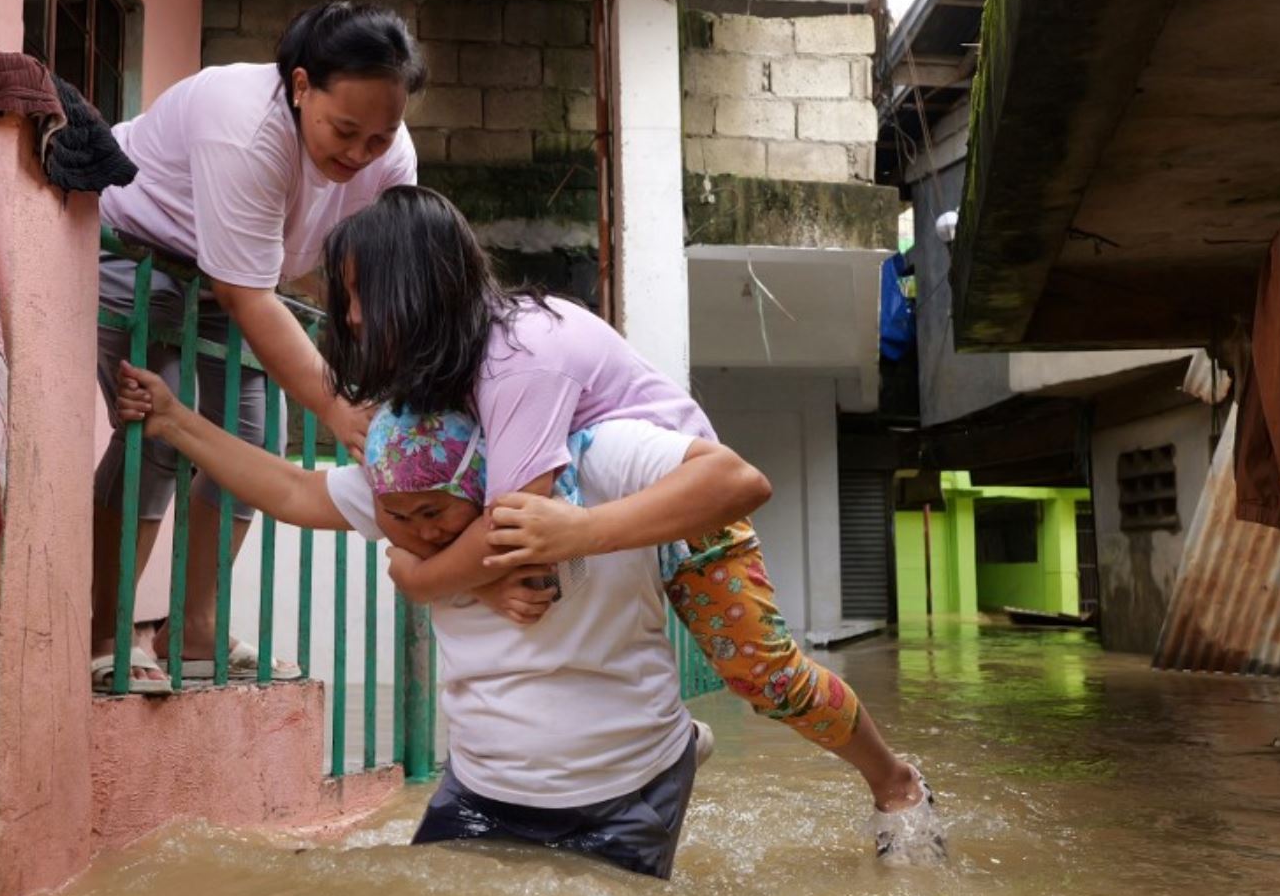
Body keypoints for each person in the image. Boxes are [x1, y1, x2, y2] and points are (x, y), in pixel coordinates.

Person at [319, 186, 945, 856]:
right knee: (532, 611)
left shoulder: (519, 351)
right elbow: (506, 544)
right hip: (585, 512)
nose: (352, 316)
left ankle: (896, 780)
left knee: (766, 676)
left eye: (365, 295)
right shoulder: (451, 366)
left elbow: (507, 531)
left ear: (418, 287)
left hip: (682, 508)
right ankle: (665, 751)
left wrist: (417, 576)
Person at [117, 364, 773, 878]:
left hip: (627, 783)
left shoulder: (593, 456)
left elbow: (740, 480)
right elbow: (293, 490)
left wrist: (581, 530)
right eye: (398, 518)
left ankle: (681, 746)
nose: (417, 532)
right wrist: (176, 421)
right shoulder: (405, 491)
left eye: (435, 515)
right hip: (486, 788)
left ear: (487, 487)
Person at [88, 1, 425, 694]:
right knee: (153, 434)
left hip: (237, 280)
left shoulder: (391, 155)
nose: (360, 153)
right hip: (141, 257)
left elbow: (386, 280)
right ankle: (108, 636)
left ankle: (194, 629)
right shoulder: (244, 126)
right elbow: (248, 295)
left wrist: (391, 389)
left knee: (251, 435)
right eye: (345, 130)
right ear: (302, 87)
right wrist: (339, 411)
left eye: (379, 137)